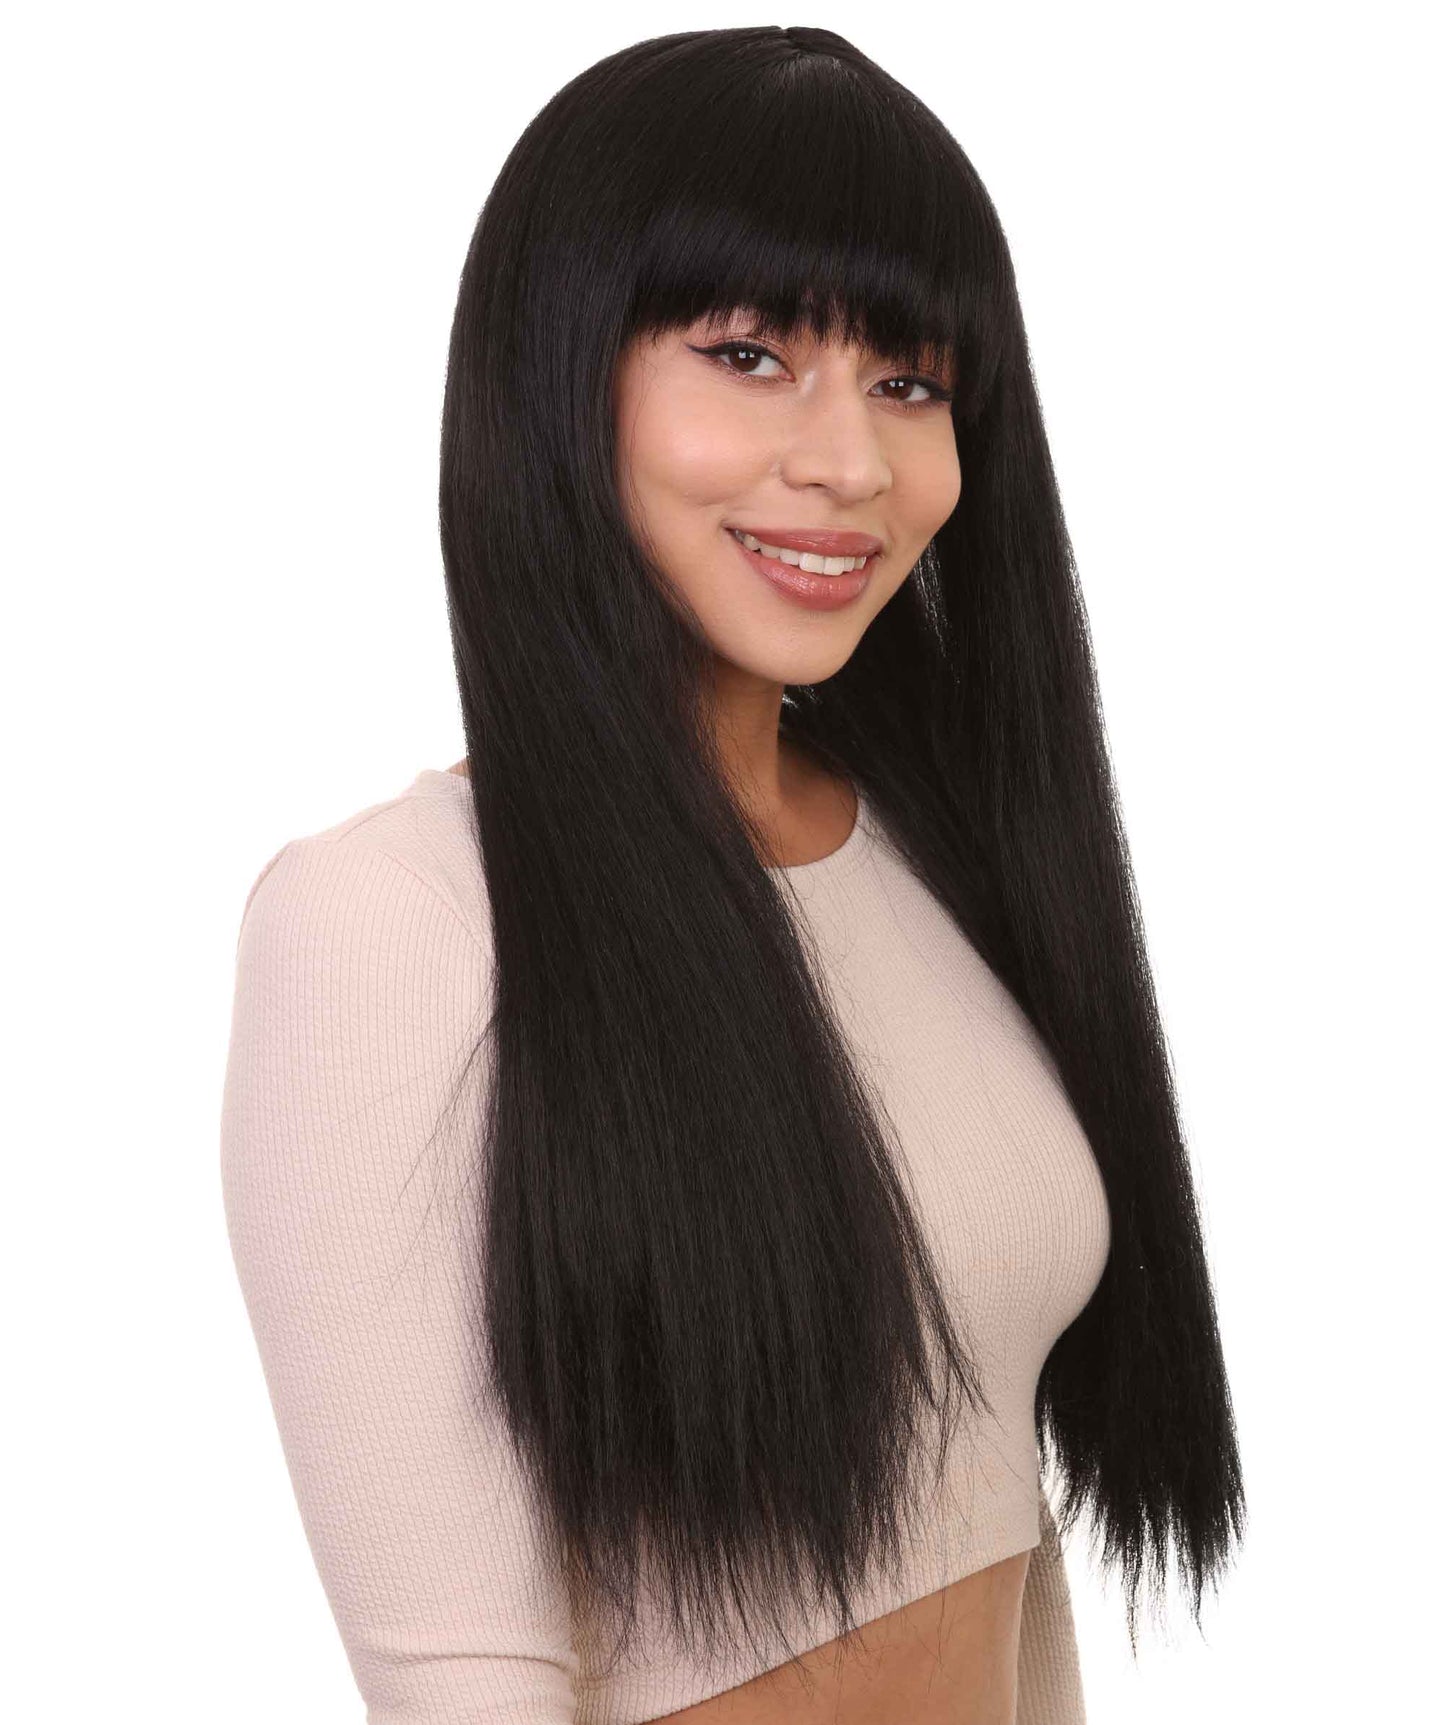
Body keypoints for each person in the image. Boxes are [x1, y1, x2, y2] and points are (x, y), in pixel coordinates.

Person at [219, 25, 1246, 1725]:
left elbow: (1005, 1555)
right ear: (562, 375)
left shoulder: (931, 853)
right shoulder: (393, 921)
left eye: (910, 382)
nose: (852, 463)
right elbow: (465, 1678)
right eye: (749, 354)